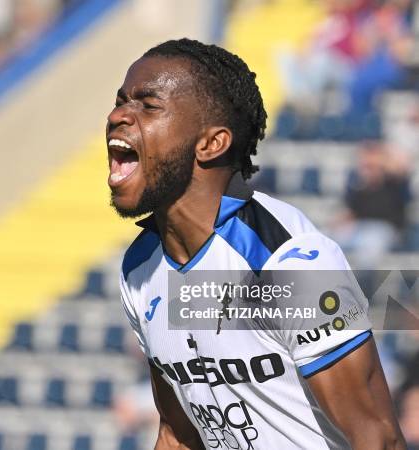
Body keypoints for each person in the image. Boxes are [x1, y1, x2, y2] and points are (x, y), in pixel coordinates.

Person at [108, 38, 405, 449]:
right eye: (121, 101)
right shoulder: (140, 266)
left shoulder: (288, 262)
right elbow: (178, 435)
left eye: (147, 104)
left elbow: (378, 439)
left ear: (212, 143)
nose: (119, 115)